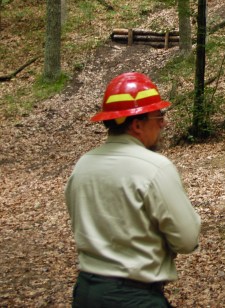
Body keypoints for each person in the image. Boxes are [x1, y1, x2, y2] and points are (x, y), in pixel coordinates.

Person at [65, 72, 201, 307]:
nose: (163, 123)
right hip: (134, 297)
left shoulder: (83, 166)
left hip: (86, 293)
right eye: (158, 116)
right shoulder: (154, 167)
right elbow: (187, 239)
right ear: (137, 124)